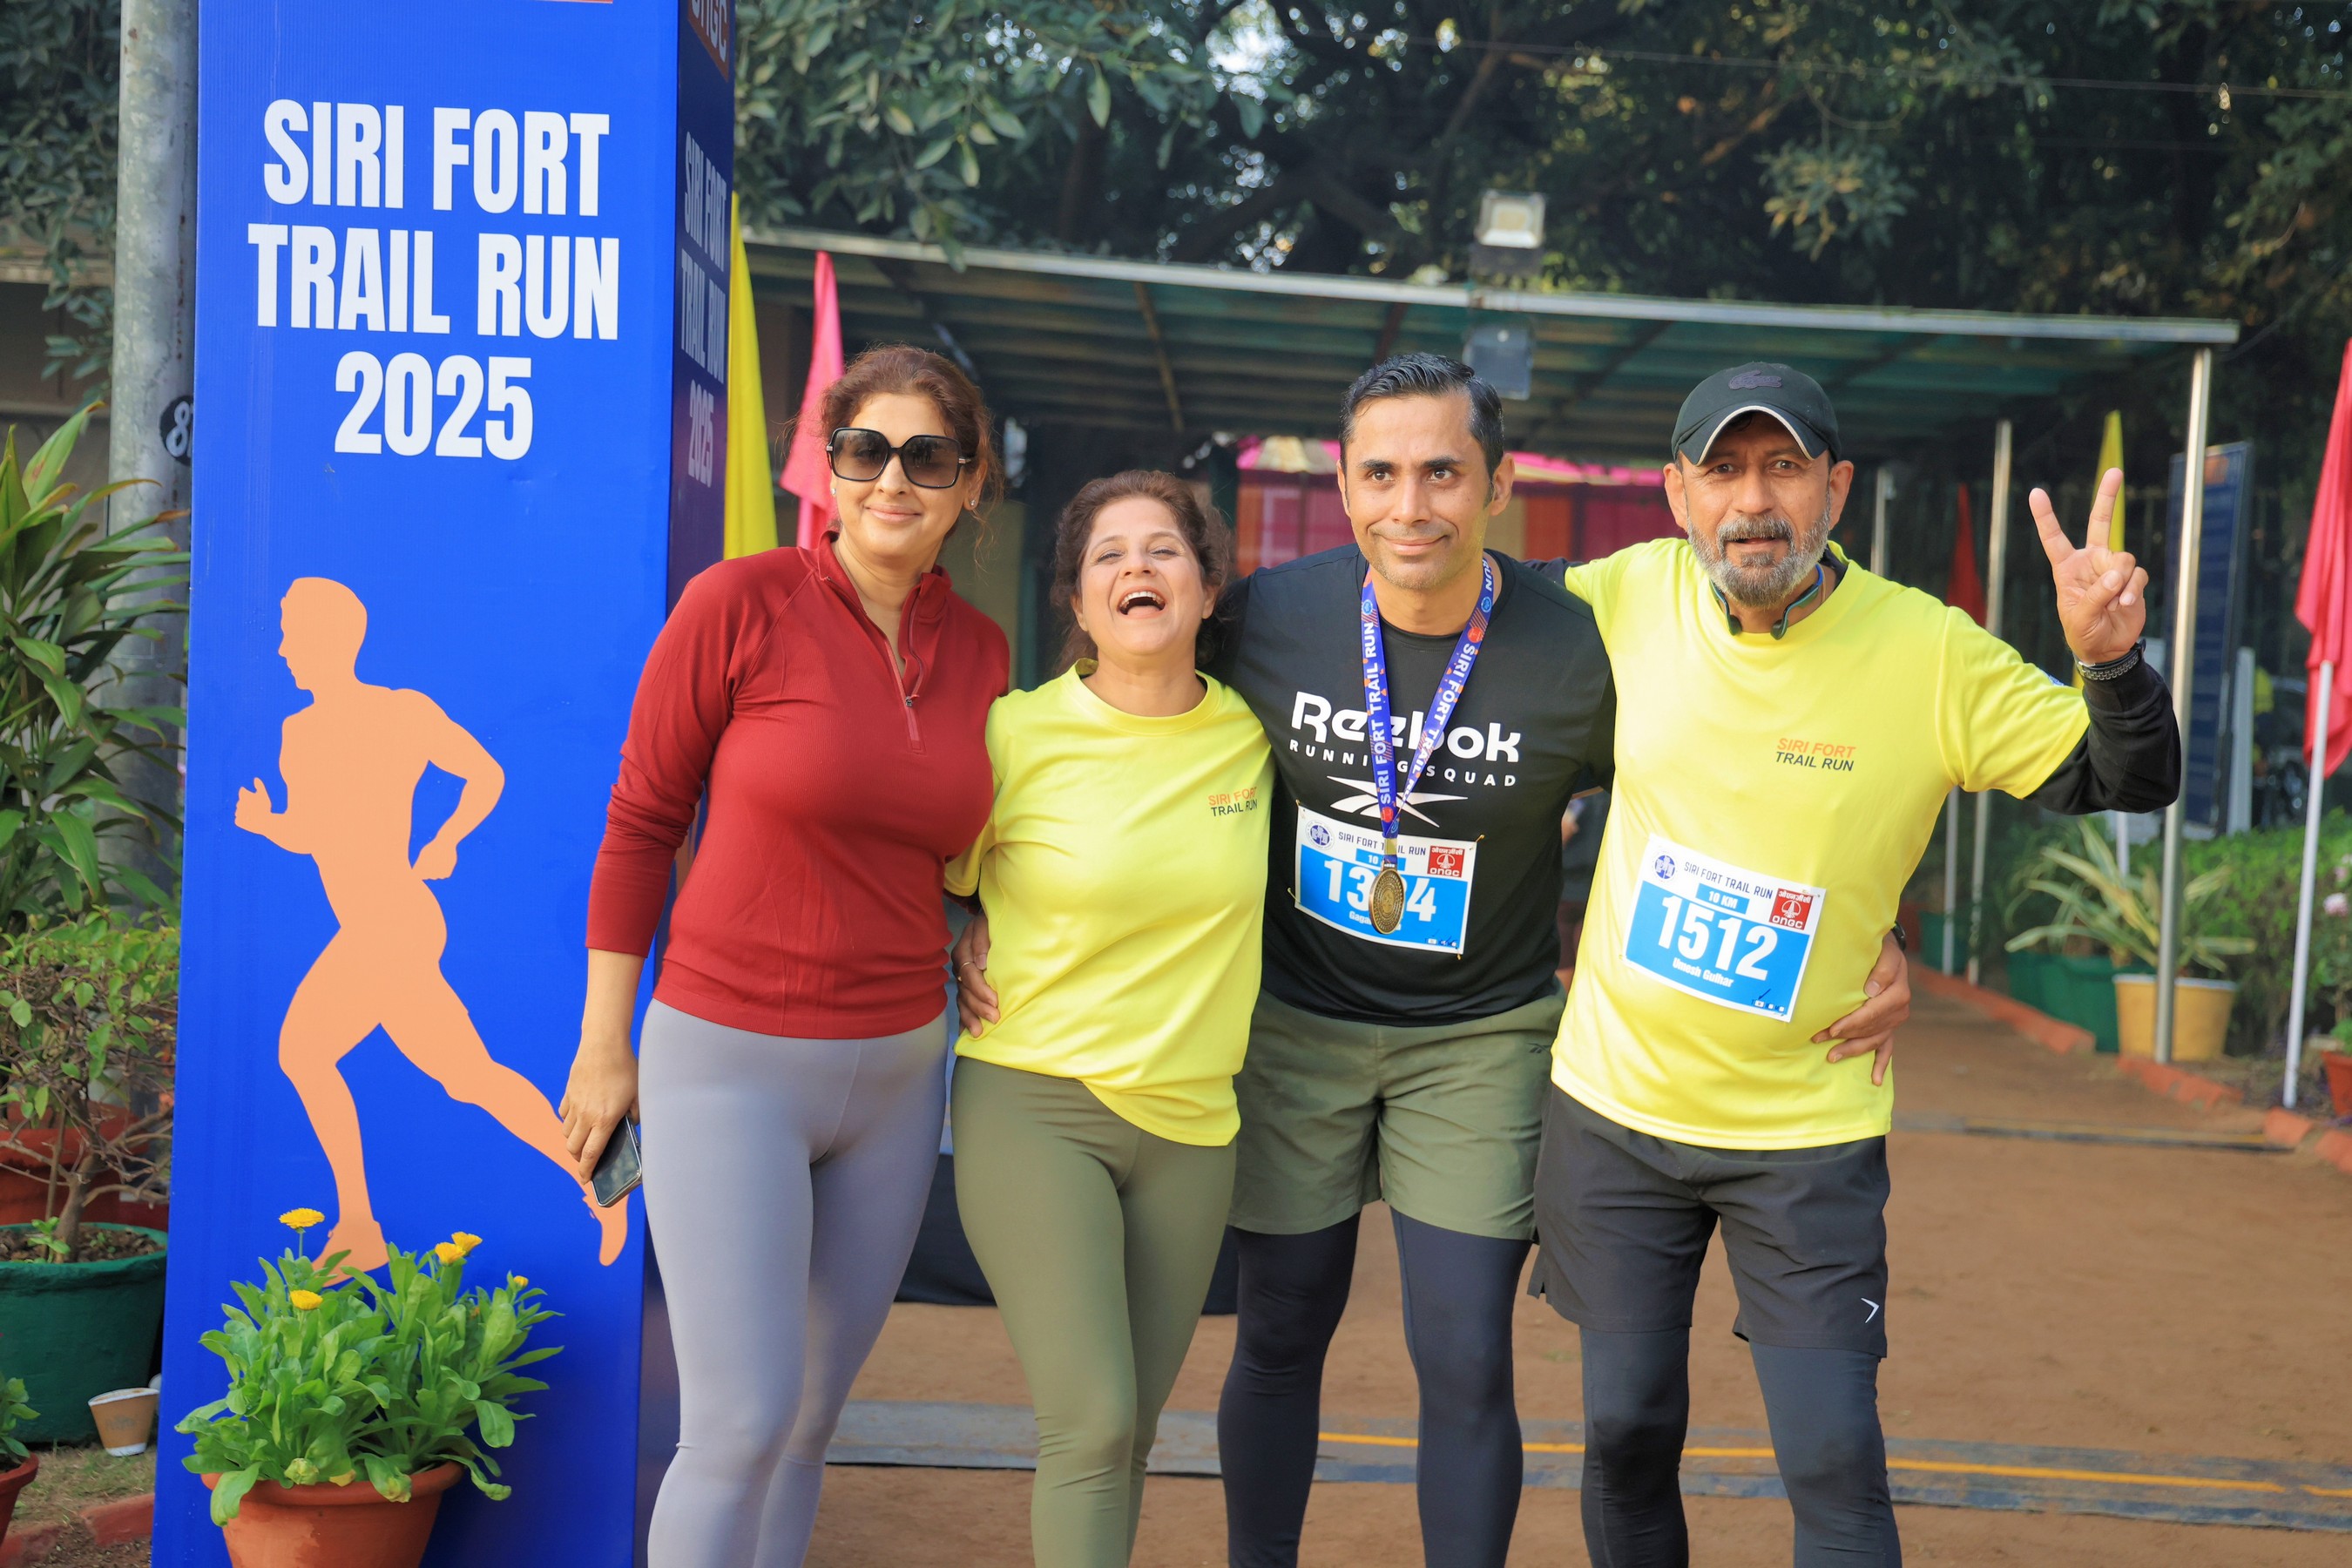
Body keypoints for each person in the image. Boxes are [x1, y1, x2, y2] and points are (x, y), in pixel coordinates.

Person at [962, 355, 1910, 1568]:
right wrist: (980, 903)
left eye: (1443, 474)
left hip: (1479, 1042)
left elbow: (1728, 770)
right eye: (1382, 474)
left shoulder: (1578, 648)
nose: (1411, 506)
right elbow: (1126, 740)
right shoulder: (1263, 618)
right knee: (1282, 1331)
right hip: (1295, 1025)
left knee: (1463, 1353)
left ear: (1498, 486)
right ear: (1345, 487)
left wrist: (1867, 921)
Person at [1533, 362, 2180, 1567]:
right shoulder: (1621, 595)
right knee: (1624, 1431)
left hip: (1806, 1134)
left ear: (1835, 489)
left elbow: (2128, 776)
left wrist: (2108, 663)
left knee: (1833, 1456)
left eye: (1783, 468)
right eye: (1723, 471)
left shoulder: (1928, 652)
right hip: (1615, 1115)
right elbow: (1455, 644)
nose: (1753, 502)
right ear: (1677, 495)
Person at [559, 344, 1009, 1568]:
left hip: (902, 1070)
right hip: (728, 1058)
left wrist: (981, 921)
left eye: (929, 457)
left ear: (972, 484)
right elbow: (640, 824)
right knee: (739, 1424)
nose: (893, 480)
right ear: (828, 466)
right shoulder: (740, 603)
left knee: (809, 1422)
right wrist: (606, 1045)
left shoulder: (983, 654)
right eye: (866, 451)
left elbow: (967, 847)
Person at [949, 471, 1272, 1568]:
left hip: (1195, 1127)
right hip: (1036, 1100)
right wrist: (957, 933)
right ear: (1078, 602)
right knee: (1089, 1420)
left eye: (1165, 549)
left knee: (1128, 1432)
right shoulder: (1014, 733)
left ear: (1209, 589)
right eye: (1108, 555)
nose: (1138, 567)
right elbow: (925, 873)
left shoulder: (1257, 740)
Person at [237, 577, 626, 1275]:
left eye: (292, 634)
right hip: (370, 926)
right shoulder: (299, 734)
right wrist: (271, 824)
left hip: (395, 919)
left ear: (330, 639)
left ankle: (360, 1226)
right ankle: (604, 1175)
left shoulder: (400, 712)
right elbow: (319, 832)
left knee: (306, 1052)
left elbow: (484, 774)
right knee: (468, 1075)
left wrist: (447, 839)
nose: (283, 648)